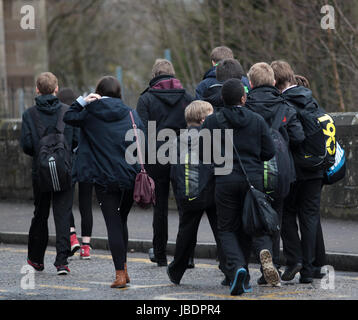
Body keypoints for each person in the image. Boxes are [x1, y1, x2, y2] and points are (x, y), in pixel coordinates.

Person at [63, 76, 144, 288]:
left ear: (98, 92)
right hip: (129, 176)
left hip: (103, 178)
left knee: (113, 225)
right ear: (119, 93)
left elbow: (68, 117)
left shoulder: (90, 113)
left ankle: (119, 274)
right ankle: (124, 270)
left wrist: (83, 101)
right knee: (121, 221)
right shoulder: (131, 113)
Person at [202, 78, 276, 295]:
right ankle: (258, 258)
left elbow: (205, 155)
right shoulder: (257, 120)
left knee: (226, 228)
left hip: (224, 180)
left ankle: (238, 270)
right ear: (243, 98)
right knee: (252, 225)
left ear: (222, 100)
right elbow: (269, 152)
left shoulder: (212, 122)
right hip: (252, 179)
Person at [244, 62, 305, 285]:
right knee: (277, 217)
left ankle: (264, 261)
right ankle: (275, 263)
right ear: (273, 82)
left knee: (255, 215)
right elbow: (298, 138)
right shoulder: (286, 106)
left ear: (250, 84)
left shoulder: (246, 107)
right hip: (281, 170)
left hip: (253, 169)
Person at [271, 60, 326, 283]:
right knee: (310, 216)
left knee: (287, 216)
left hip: (294, 168)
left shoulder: (282, 102)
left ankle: (296, 259)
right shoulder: (309, 98)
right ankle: (310, 268)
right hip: (315, 167)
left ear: (274, 82)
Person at [136, 59, 194, 267]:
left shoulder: (146, 99)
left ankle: (160, 254)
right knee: (185, 208)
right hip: (182, 156)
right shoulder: (187, 97)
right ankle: (186, 256)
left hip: (156, 157)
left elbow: (140, 132)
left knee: (159, 208)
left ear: (154, 76)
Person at [20, 72, 79, 275]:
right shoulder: (68, 111)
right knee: (63, 214)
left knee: (41, 214)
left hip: (41, 172)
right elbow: (76, 141)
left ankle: (36, 259)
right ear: (56, 89)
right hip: (65, 171)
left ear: (37, 89)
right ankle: (62, 262)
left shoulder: (29, 114)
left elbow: (26, 145)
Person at [167, 100, 221, 284]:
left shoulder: (176, 140)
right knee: (222, 231)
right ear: (203, 119)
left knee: (186, 234)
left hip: (187, 193)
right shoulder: (210, 138)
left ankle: (176, 270)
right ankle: (230, 268)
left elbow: (174, 170)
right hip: (211, 192)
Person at [58, 88, 94, 260]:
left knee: (66, 201)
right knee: (85, 205)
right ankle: (86, 247)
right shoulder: (86, 116)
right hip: (87, 163)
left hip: (70, 163)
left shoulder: (64, 117)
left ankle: (72, 236)